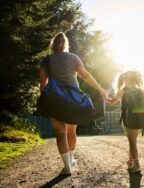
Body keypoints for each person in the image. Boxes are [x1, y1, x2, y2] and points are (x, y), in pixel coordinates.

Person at [39, 32, 106, 175]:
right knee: (71, 131)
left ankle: (67, 167)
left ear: (53, 44)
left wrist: (44, 100)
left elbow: (43, 82)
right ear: (65, 44)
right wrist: (100, 89)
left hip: (54, 99)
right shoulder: (73, 58)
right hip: (72, 99)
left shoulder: (46, 60)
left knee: (60, 132)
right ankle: (71, 159)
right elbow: (86, 75)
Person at [103, 71, 144, 173]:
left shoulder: (123, 90)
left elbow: (112, 101)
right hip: (138, 119)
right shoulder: (140, 91)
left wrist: (104, 97)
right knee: (133, 141)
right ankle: (130, 162)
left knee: (132, 143)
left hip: (127, 119)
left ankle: (136, 164)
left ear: (126, 79)